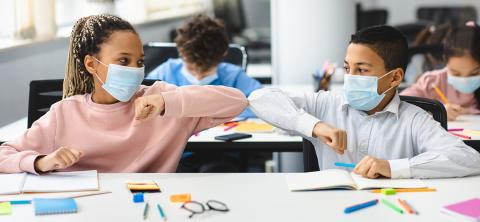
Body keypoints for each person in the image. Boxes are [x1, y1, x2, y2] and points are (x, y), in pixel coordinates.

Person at [0, 14, 247, 174]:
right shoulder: (65, 112)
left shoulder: (162, 100)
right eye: (123, 61)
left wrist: (166, 102)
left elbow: (237, 101)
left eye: (139, 61)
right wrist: (40, 162)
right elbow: (4, 155)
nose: (135, 70)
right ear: (91, 64)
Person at [249, 25, 480, 179]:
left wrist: (393, 168)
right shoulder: (325, 104)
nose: (350, 77)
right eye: (348, 68)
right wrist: (314, 126)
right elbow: (259, 98)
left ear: (395, 78)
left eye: (362, 70)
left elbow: (469, 159)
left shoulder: (413, 118)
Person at [146, 14, 261, 118]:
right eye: (191, 68)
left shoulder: (233, 76)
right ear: (181, 52)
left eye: (206, 71)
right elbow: (144, 102)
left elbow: (264, 104)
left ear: (224, 53)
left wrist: (221, 110)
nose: (199, 76)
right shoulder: (165, 73)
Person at [402, 23, 480, 120]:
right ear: (445, 61)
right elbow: (401, 106)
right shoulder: (432, 81)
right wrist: (435, 111)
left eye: (474, 73)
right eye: (455, 73)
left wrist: (470, 111)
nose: (464, 80)